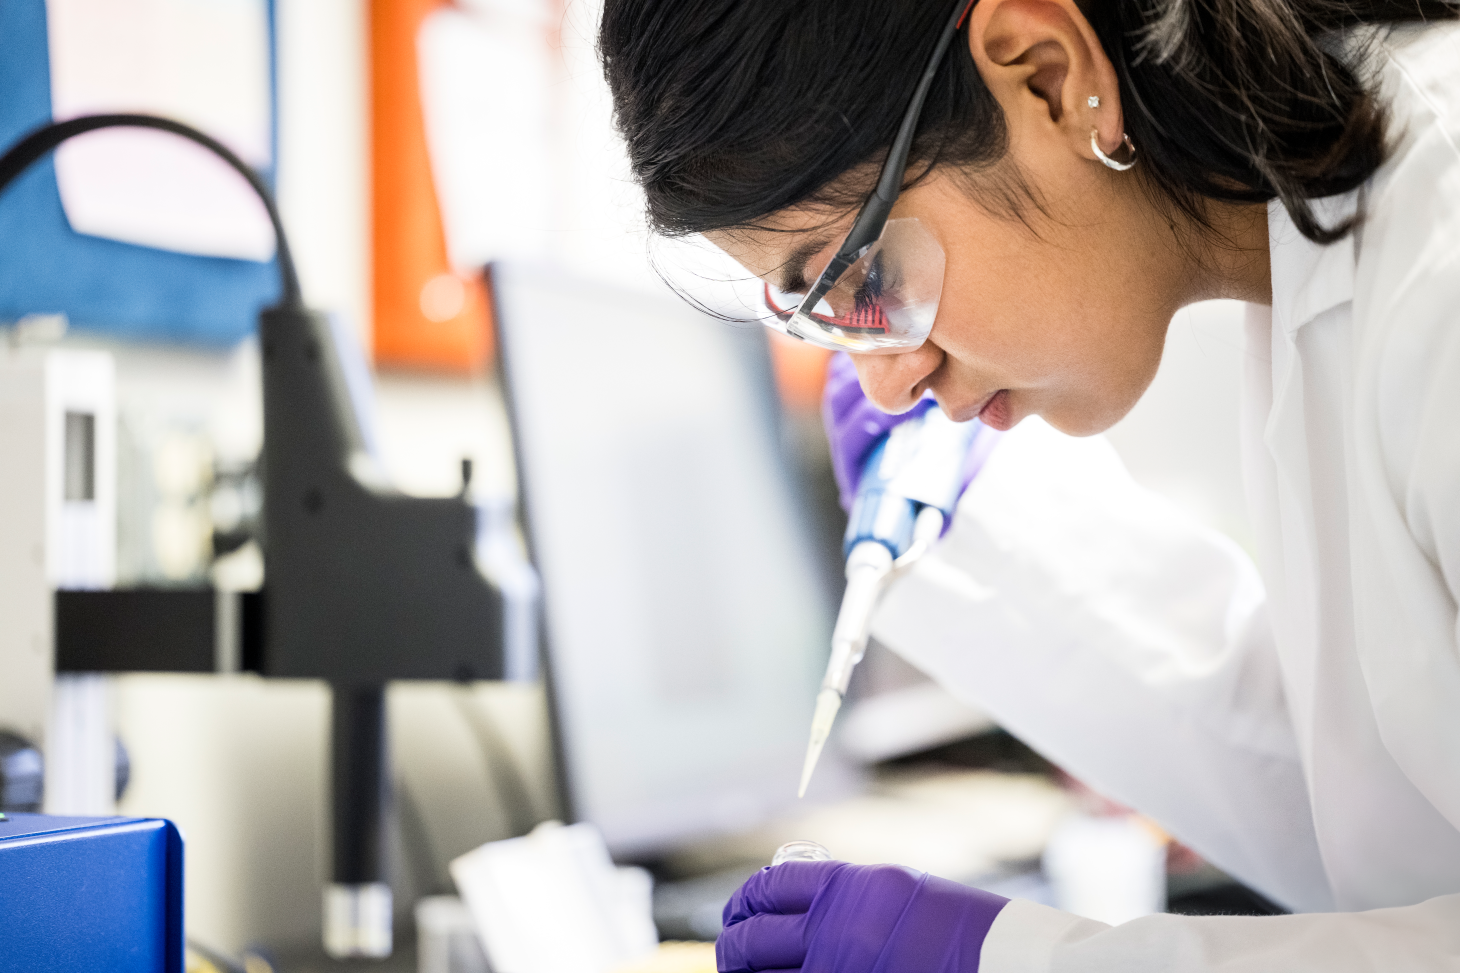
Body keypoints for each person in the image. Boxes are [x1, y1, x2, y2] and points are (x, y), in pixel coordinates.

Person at [599, 0, 1460, 969]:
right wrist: (989, 531)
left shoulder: (1444, 249)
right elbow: (1384, 823)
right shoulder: (1312, 248)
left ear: (1046, 76)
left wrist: (1018, 958)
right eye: (821, 313)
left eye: (863, 276)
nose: (885, 378)